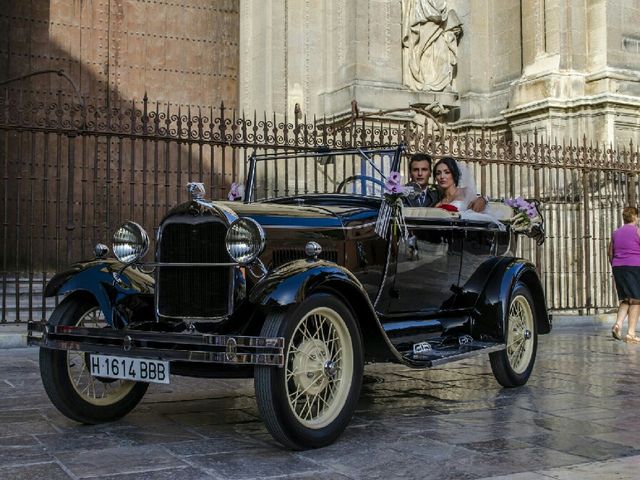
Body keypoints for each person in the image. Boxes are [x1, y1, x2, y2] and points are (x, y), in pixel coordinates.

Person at [405, 153, 486, 212]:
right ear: (410, 173)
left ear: (429, 173)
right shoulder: (401, 193)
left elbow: (478, 200)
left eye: (447, 172)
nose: (442, 177)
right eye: (438, 173)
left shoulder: (435, 192)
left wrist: (483, 199)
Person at [608, 206, 640, 343]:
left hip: (618, 267)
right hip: (634, 266)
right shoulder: (638, 231)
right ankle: (631, 333)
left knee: (626, 298)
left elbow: (610, 253)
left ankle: (618, 325)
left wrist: (615, 265)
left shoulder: (615, 233)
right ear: (635, 217)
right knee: (636, 299)